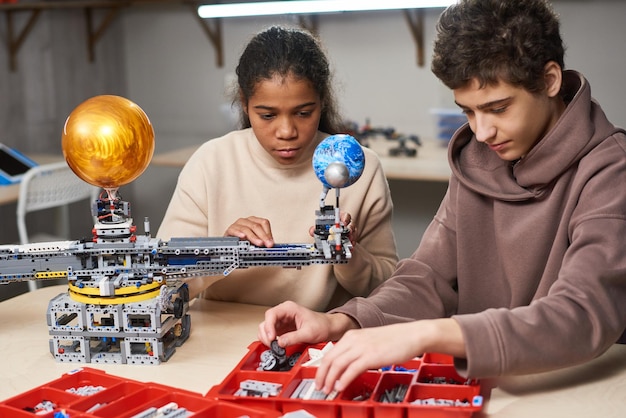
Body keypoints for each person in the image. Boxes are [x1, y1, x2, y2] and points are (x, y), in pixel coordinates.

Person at [258, 0, 626, 395]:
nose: (482, 132)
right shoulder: (476, 159)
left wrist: (428, 335)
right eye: (467, 111)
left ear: (550, 80)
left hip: (576, 392)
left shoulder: (610, 169)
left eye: (498, 108)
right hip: (483, 388)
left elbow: (581, 314)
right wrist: (344, 321)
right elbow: (426, 276)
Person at [157, 26, 398, 311]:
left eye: (303, 113)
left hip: (316, 339)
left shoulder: (358, 168)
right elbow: (160, 279)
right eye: (268, 115)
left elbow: (389, 289)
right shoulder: (211, 163)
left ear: (323, 103)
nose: (286, 131)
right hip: (219, 340)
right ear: (245, 105)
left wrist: (349, 255)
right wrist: (221, 250)